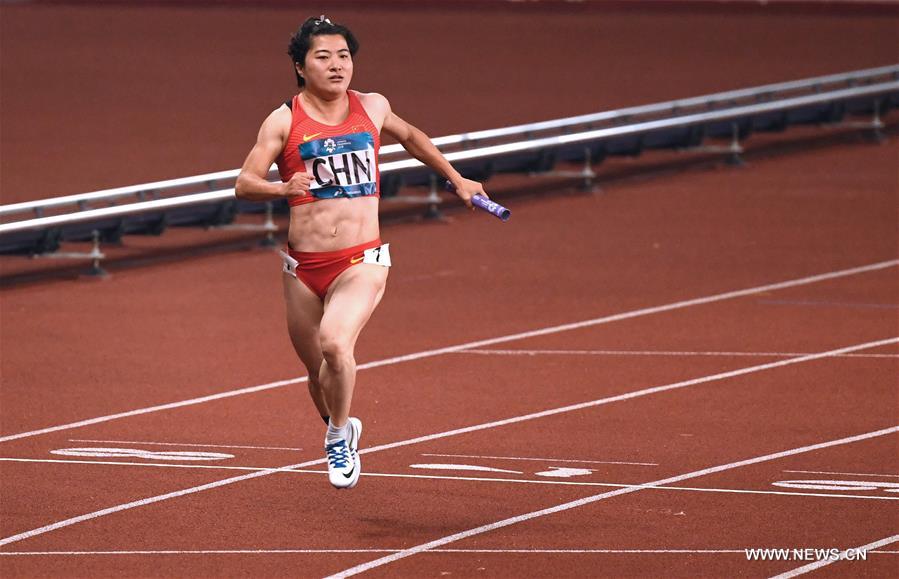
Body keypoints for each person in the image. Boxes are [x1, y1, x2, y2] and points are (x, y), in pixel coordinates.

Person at [235, 15, 487, 490]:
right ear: (299, 66)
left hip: (361, 260)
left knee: (335, 343)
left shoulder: (371, 107)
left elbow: (411, 137)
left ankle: (337, 438)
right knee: (317, 375)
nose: (336, 66)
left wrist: (458, 180)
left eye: (344, 56)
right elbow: (243, 183)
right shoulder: (284, 119)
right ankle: (342, 421)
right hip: (302, 268)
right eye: (323, 57)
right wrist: (282, 187)